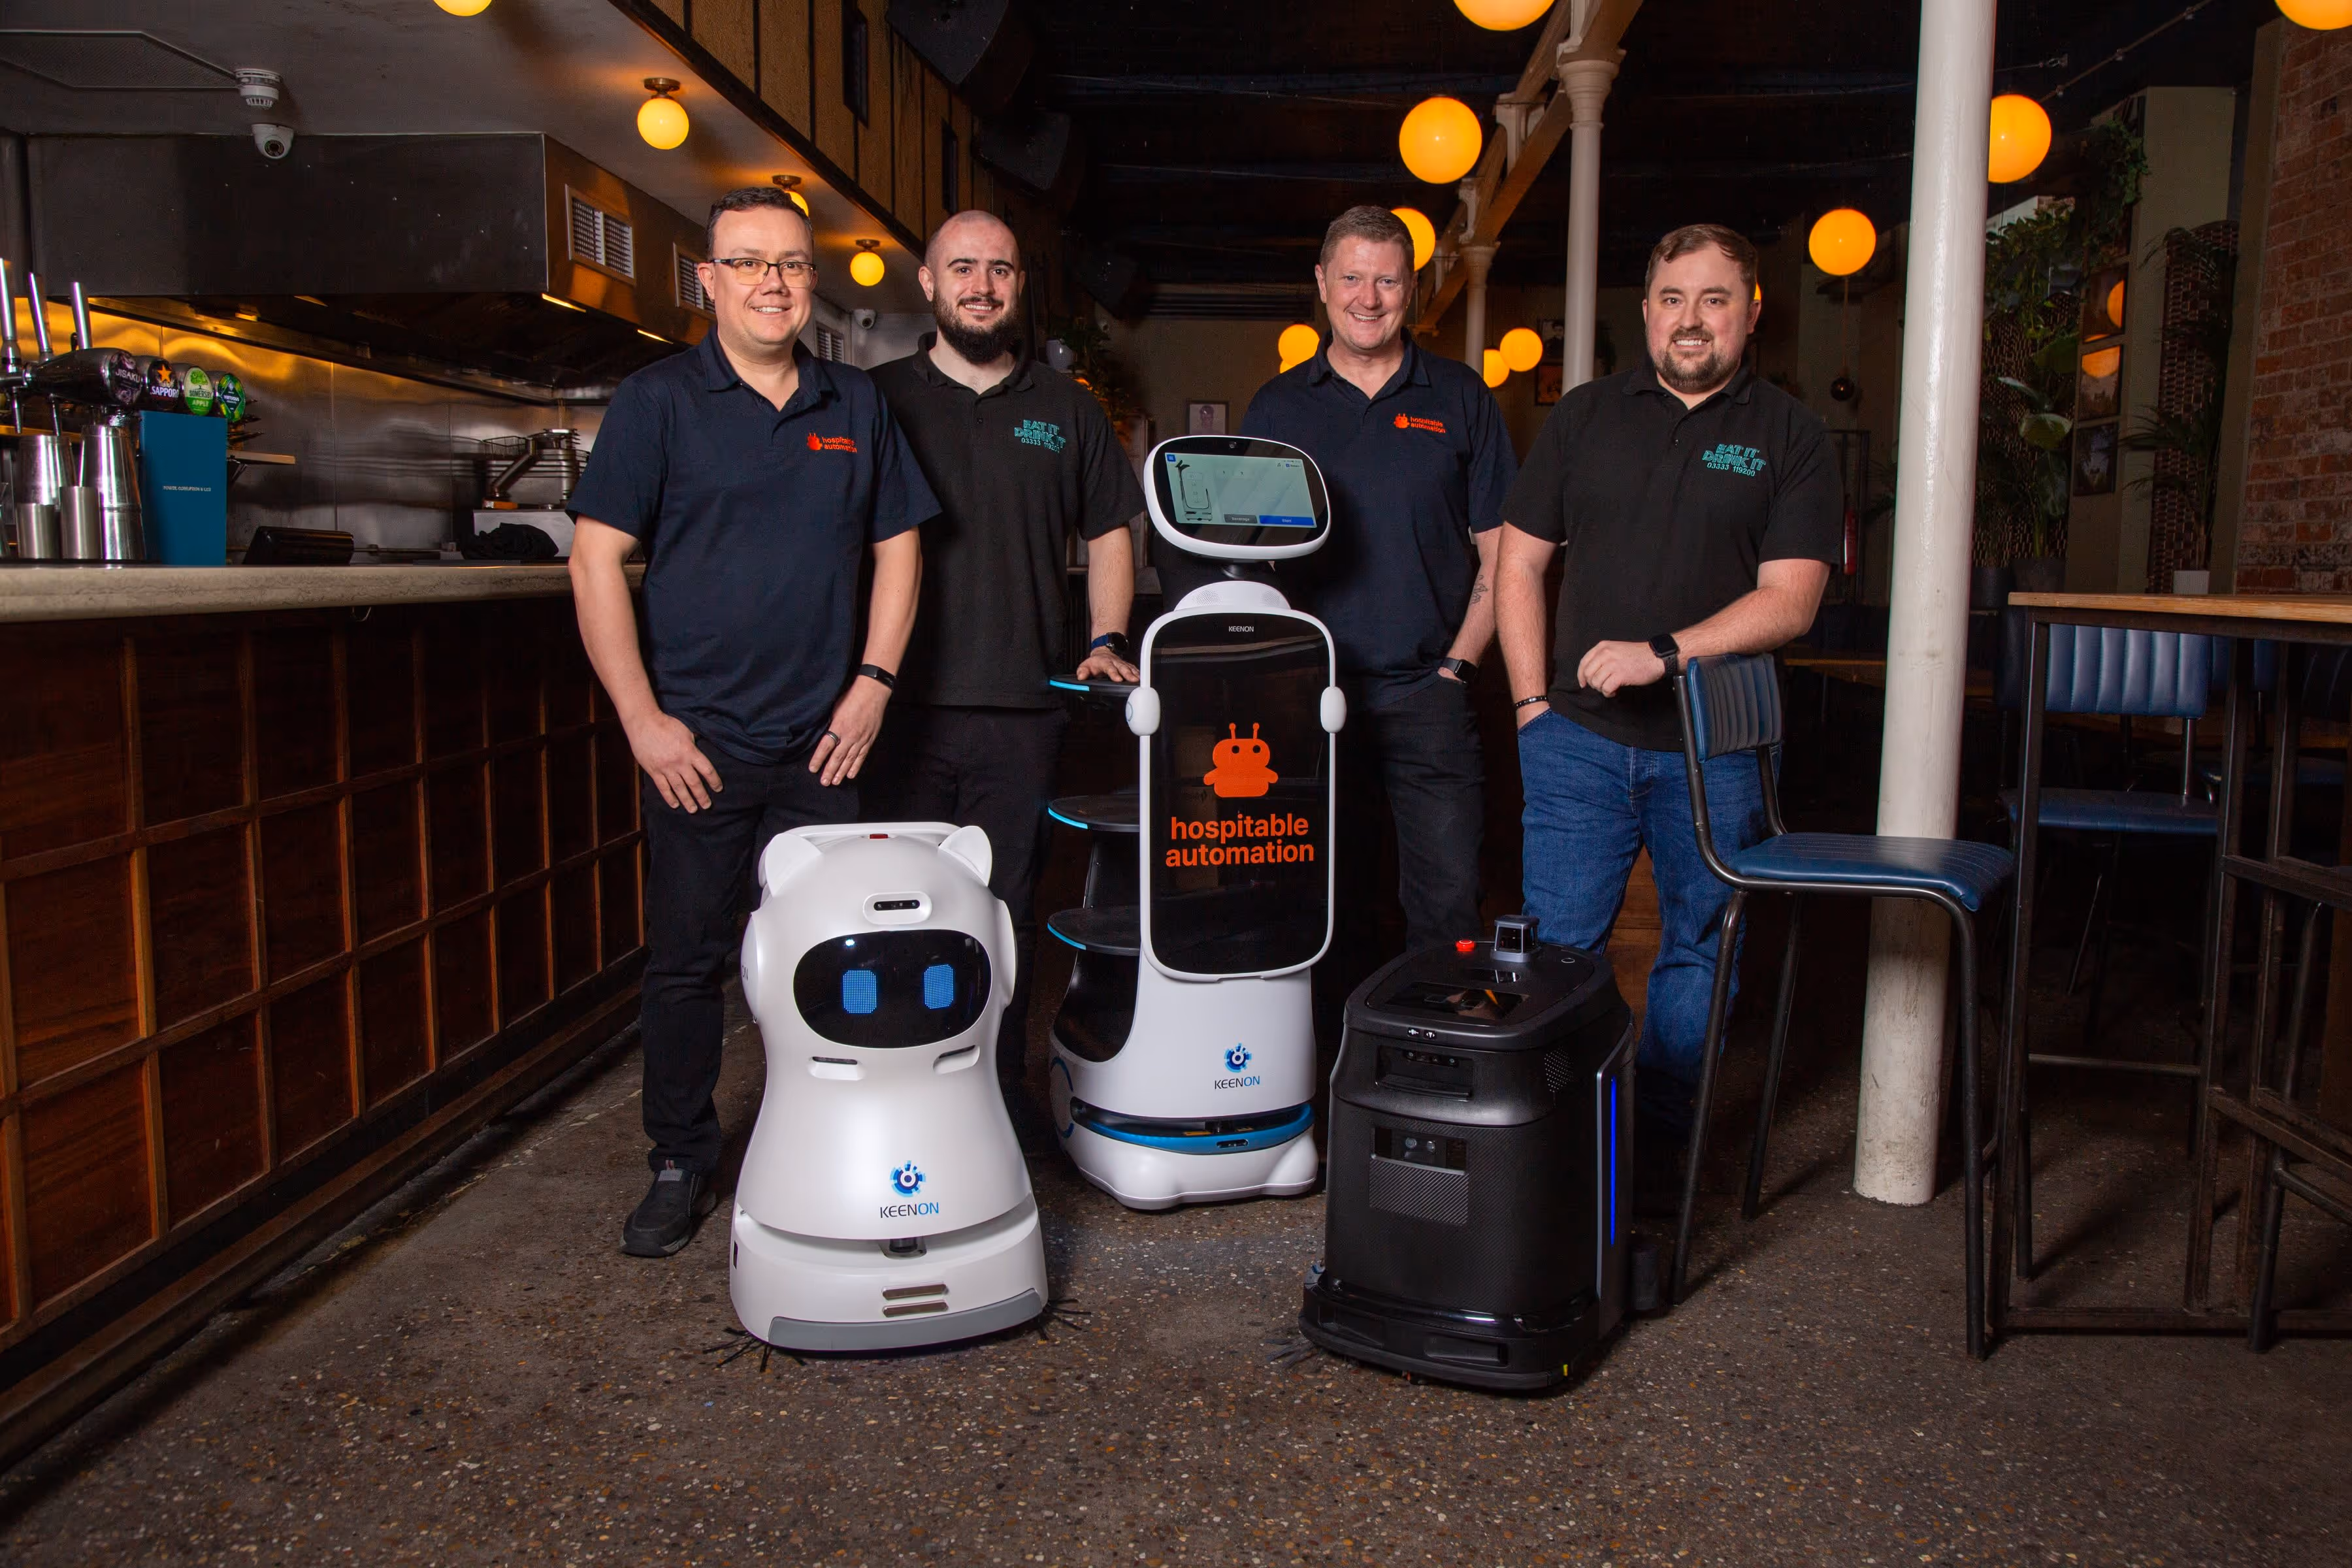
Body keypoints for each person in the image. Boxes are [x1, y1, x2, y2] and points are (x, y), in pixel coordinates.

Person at [568, 186, 934, 1258]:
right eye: (748, 262)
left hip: (828, 742)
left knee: (833, 955)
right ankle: (681, 1158)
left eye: (790, 263)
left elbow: (901, 548)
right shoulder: (658, 402)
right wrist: (643, 721)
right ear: (710, 280)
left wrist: (875, 683)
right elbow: (594, 561)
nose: (772, 282)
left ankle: (828, 1140)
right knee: (689, 962)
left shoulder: (854, 402)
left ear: (810, 280)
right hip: (699, 745)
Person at [1495, 222, 1837, 1149]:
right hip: (1576, 741)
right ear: (1647, 311)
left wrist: (1665, 651)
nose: (1692, 320)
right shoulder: (1584, 417)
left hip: (1719, 751)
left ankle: (1658, 1156)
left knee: (1701, 948)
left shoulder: (1792, 435)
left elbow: (1792, 601)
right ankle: (1562, 1145)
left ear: (1751, 314)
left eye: (1714, 300)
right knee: (1555, 953)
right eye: (1674, 299)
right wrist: (1529, 706)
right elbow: (1517, 564)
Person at [866, 210, 1143, 1133]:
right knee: (902, 910)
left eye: (999, 270)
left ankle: (998, 1095)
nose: (981, 286)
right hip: (898, 710)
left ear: (1020, 285)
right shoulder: (875, 399)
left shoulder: (1067, 409)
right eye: (962, 269)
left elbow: (1110, 531)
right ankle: (906, 1099)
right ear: (929, 283)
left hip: (1024, 709)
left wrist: (1106, 634)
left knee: (1002, 912)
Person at [1238, 204, 1515, 990]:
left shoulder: (1460, 398)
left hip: (1431, 695)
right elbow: (1248, 562)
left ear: (1411, 290)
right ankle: (1341, 1057)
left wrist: (1459, 666)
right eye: (1353, 278)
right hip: (1312, 699)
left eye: (1387, 280)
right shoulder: (1277, 409)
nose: (1369, 297)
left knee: (1448, 906)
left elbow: (1503, 551)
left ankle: (1435, 1054)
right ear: (1323, 283)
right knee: (1329, 904)